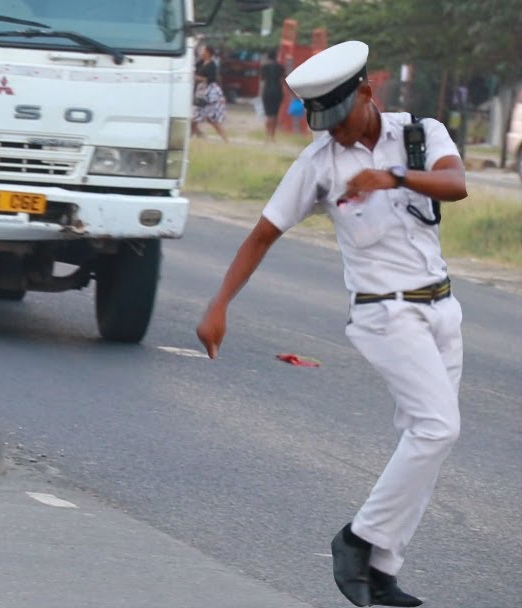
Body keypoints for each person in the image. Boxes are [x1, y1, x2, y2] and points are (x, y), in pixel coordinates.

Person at [195, 40, 468, 608]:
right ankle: (358, 542)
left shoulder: (420, 135)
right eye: (325, 122)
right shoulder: (318, 165)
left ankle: (382, 571)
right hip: (383, 313)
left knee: (428, 439)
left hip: (442, 307)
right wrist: (220, 304)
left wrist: (393, 176)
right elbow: (263, 233)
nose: (336, 132)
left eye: (340, 118)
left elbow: (455, 183)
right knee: (437, 429)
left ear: (368, 93)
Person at [192, 43, 228, 142]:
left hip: (209, 92)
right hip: (201, 91)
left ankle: (224, 139)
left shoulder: (212, 65)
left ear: (208, 52)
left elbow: (211, 79)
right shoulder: (200, 62)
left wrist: (197, 78)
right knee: (195, 119)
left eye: (203, 51)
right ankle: (199, 137)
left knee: (210, 118)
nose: (201, 53)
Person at [260, 48, 286, 142]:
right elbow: (283, 80)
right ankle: (272, 137)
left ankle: (267, 136)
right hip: (277, 91)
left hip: (267, 91)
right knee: (275, 115)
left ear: (268, 57)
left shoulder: (264, 67)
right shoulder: (280, 67)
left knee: (268, 115)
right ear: (276, 56)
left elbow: (262, 80)